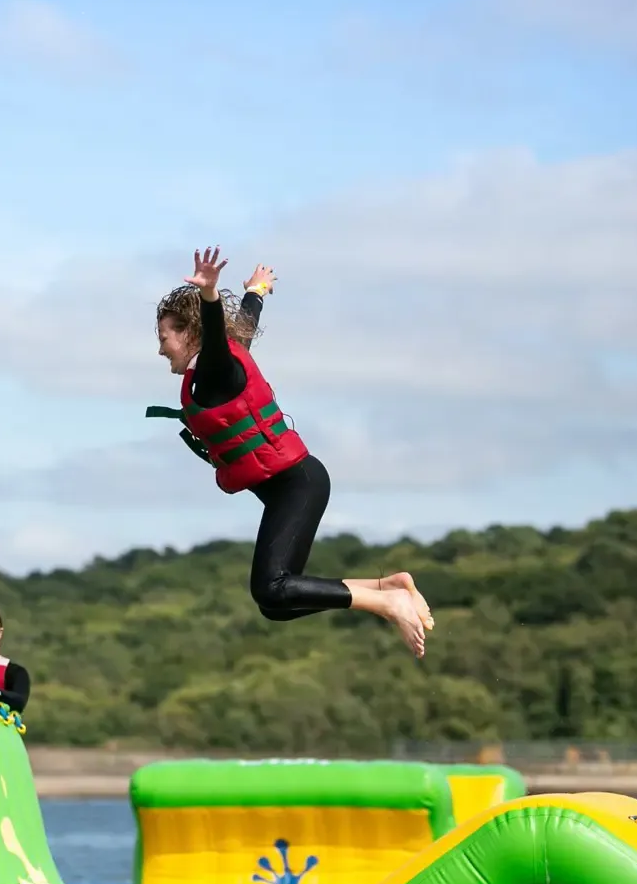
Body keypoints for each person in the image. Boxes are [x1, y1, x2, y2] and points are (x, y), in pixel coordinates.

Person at [149, 247, 435, 656]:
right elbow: (245, 323)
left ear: (189, 333)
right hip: (295, 486)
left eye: (164, 338)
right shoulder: (225, 360)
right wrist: (256, 290)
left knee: (272, 588)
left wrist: (210, 294)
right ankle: (387, 587)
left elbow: (215, 334)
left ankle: (389, 603)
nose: (161, 350)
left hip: (298, 485)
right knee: (277, 604)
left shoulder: (215, 369)